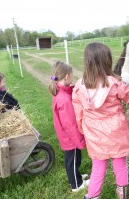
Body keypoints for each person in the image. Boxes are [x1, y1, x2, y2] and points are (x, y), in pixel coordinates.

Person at [72, 42, 129, 199]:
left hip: (94, 133)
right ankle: (121, 195)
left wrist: (82, 127)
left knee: (98, 167)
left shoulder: (79, 86)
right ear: (107, 61)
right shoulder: (114, 83)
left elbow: (78, 111)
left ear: (87, 61)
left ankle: (92, 196)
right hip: (116, 132)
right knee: (120, 165)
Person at [48, 61, 89, 193]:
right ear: (66, 76)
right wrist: (79, 140)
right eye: (72, 74)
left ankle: (76, 177)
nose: (73, 76)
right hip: (71, 137)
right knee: (72, 160)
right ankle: (76, 185)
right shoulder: (64, 99)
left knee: (72, 159)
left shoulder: (61, 92)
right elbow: (70, 125)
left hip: (67, 136)